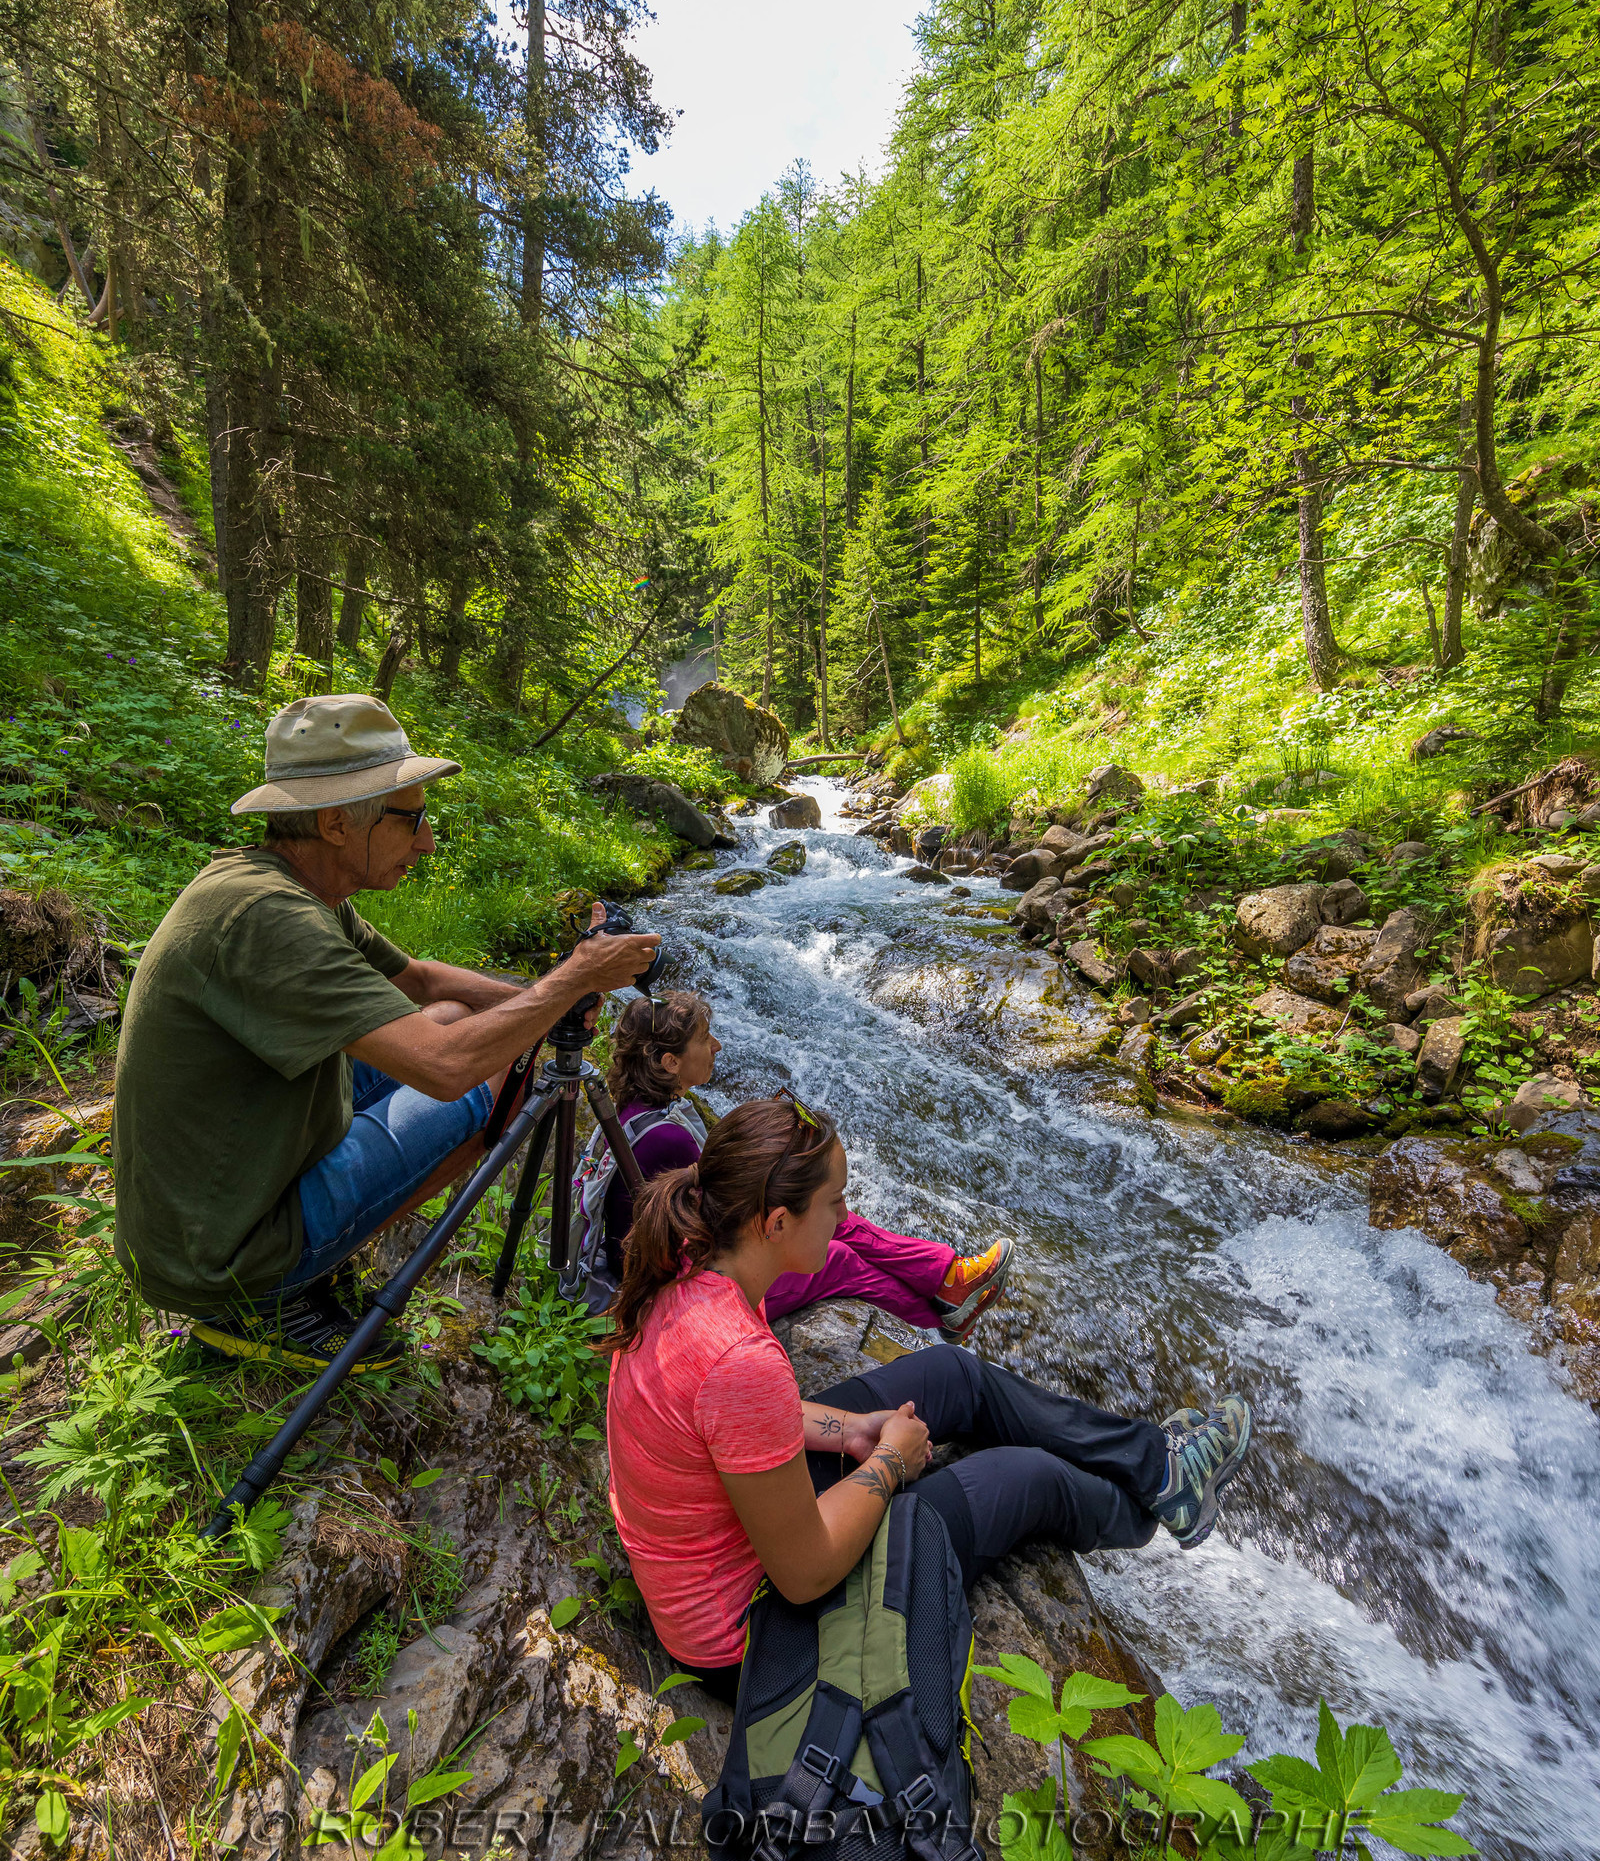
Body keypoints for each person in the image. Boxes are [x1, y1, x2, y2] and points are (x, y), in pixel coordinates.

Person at [606, 1092, 1253, 1701]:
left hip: (727, 1547)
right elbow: (804, 1572)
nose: (844, 1217)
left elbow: (724, 1419)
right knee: (1029, 1477)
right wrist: (888, 1461)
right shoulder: (740, 1359)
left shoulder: (689, 1265)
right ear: (777, 1222)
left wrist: (853, 1429)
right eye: (834, 1202)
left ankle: (1162, 1471)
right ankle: (1140, 1510)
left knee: (951, 1371)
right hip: (756, 1637)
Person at [112, 692, 659, 1366]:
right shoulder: (269, 919)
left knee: (466, 1017)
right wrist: (570, 981)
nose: (426, 842)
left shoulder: (282, 887)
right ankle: (275, 1295)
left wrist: (545, 1000)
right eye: (412, 819)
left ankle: (309, 1256)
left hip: (220, 1190)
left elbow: (423, 981)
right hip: (217, 1255)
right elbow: (444, 1066)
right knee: (486, 1065)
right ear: (340, 823)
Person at [589, 990, 1013, 1333]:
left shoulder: (641, 1110)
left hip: (677, 1263)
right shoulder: (666, 1138)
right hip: (675, 1293)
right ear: (670, 1062)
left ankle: (948, 1284)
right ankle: (941, 1309)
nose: (716, 1046)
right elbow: (722, 1220)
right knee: (837, 1250)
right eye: (704, 1039)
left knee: (826, 1213)